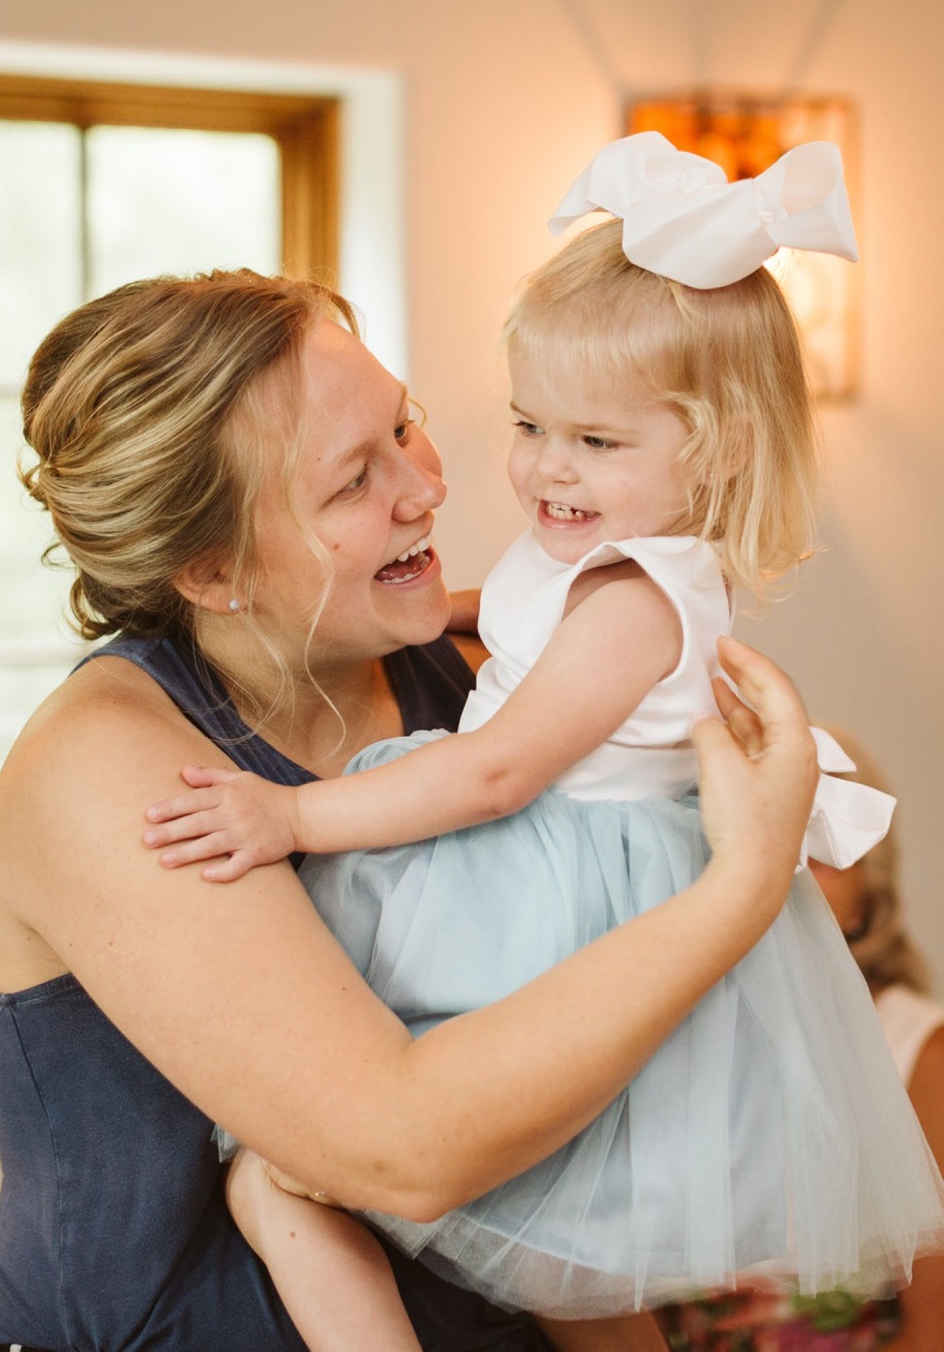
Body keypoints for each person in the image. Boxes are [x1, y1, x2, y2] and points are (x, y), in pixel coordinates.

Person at [142, 135, 944, 1351]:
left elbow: (498, 766)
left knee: (297, 1164)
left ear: (719, 447)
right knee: (351, 1183)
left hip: (554, 890)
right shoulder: (603, 561)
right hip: (563, 875)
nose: (543, 471)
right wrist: (452, 609)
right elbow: (521, 618)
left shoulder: (630, 602)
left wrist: (292, 815)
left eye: (597, 444)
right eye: (530, 424)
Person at [0, 255, 823, 1352]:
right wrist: (745, 883)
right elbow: (404, 1149)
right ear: (212, 571)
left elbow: (567, 1131)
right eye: (351, 482)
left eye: (404, 428)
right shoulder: (112, 771)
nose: (429, 488)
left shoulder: (460, 680)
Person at [656, 730, 944, 1350]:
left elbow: (936, 1321)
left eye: (822, 847)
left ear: (869, 899)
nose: (790, 873)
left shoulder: (923, 1051)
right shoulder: (655, 1040)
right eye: (759, 840)